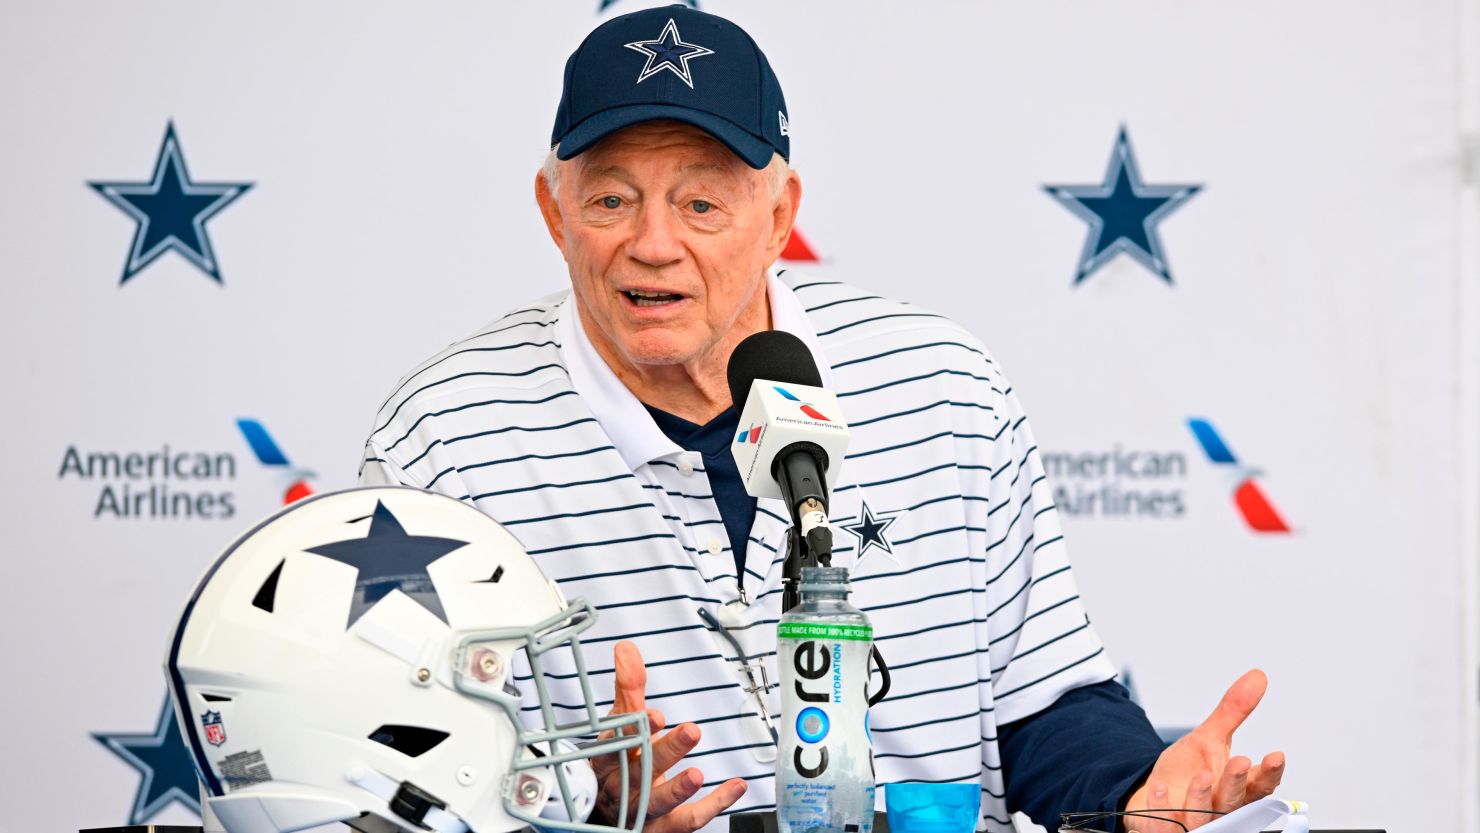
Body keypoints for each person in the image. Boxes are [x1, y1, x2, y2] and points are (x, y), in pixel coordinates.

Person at [359, 7, 1285, 833]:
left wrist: (1134, 794)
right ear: (554, 214)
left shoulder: (942, 385)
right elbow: (390, 767)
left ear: (778, 216)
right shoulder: (444, 439)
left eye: (701, 201)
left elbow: (1041, 704)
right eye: (610, 197)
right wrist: (584, 808)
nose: (653, 241)